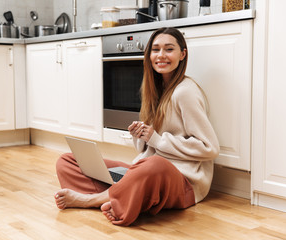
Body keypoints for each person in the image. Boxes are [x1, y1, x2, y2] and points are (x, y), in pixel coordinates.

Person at [54, 27, 219, 226]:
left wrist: (156, 139)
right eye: (155, 50)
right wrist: (139, 135)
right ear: (148, 55)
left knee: (155, 164)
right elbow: (146, 150)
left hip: (184, 183)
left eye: (169, 49)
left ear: (182, 54)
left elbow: (209, 147)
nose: (161, 55)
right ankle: (121, 197)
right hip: (145, 171)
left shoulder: (185, 92)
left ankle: (92, 199)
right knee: (68, 161)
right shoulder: (153, 91)